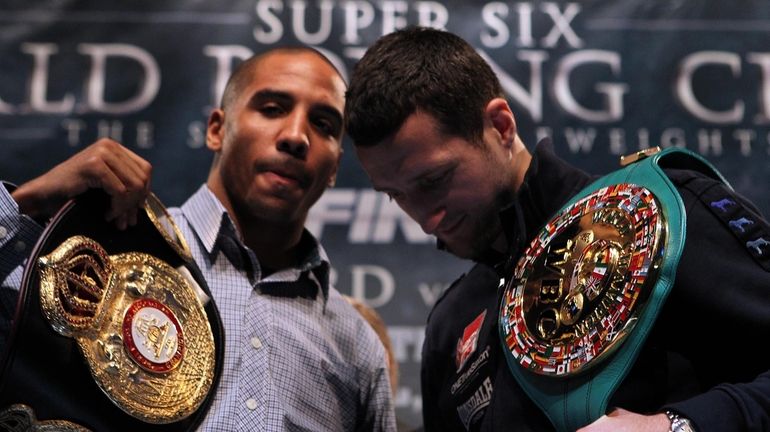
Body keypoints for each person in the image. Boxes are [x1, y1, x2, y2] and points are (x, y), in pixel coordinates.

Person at [344, 26, 770, 432]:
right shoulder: (451, 325)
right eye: (395, 195)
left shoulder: (664, 208)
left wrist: (677, 425)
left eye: (433, 180)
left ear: (500, 126)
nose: (425, 219)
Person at [0, 46, 395, 430]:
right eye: (272, 109)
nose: (296, 136)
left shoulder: (357, 346)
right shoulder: (108, 243)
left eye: (324, 125)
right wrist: (31, 198)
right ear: (216, 130)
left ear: (334, 168)